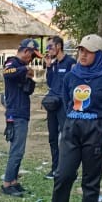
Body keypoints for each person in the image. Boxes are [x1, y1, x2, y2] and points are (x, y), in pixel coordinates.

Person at [45, 34, 102, 202]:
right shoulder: (71, 75)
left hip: (95, 130)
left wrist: (100, 126)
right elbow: (65, 98)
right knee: (63, 175)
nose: (83, 55)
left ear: (98, 54)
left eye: (88, 51)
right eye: (81, 50)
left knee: (91, 180)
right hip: (71, 129)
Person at [1, 39, 39, 196]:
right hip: (15, 113)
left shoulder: (20, 68)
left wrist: (29, 78)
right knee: (16, 151)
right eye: (32, 56)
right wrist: (25, 70)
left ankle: (13, 181)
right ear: (26, 51)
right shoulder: (11, 63)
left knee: (19, 150)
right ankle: (6, 184)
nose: (32, 60)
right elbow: (7, 72)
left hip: (22, 111)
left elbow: (28, 89)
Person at [41, 36, 76, 179]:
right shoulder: (53, 64)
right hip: (52, 104)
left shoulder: (70, 63)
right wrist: (48, 67)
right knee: (53, 137)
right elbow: (50, 83)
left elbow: (73, 84)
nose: (48, 50)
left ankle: (68, 169)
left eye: (50, 47)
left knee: (66, 137)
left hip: (64, 105)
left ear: (58, 46)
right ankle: (55, 168)